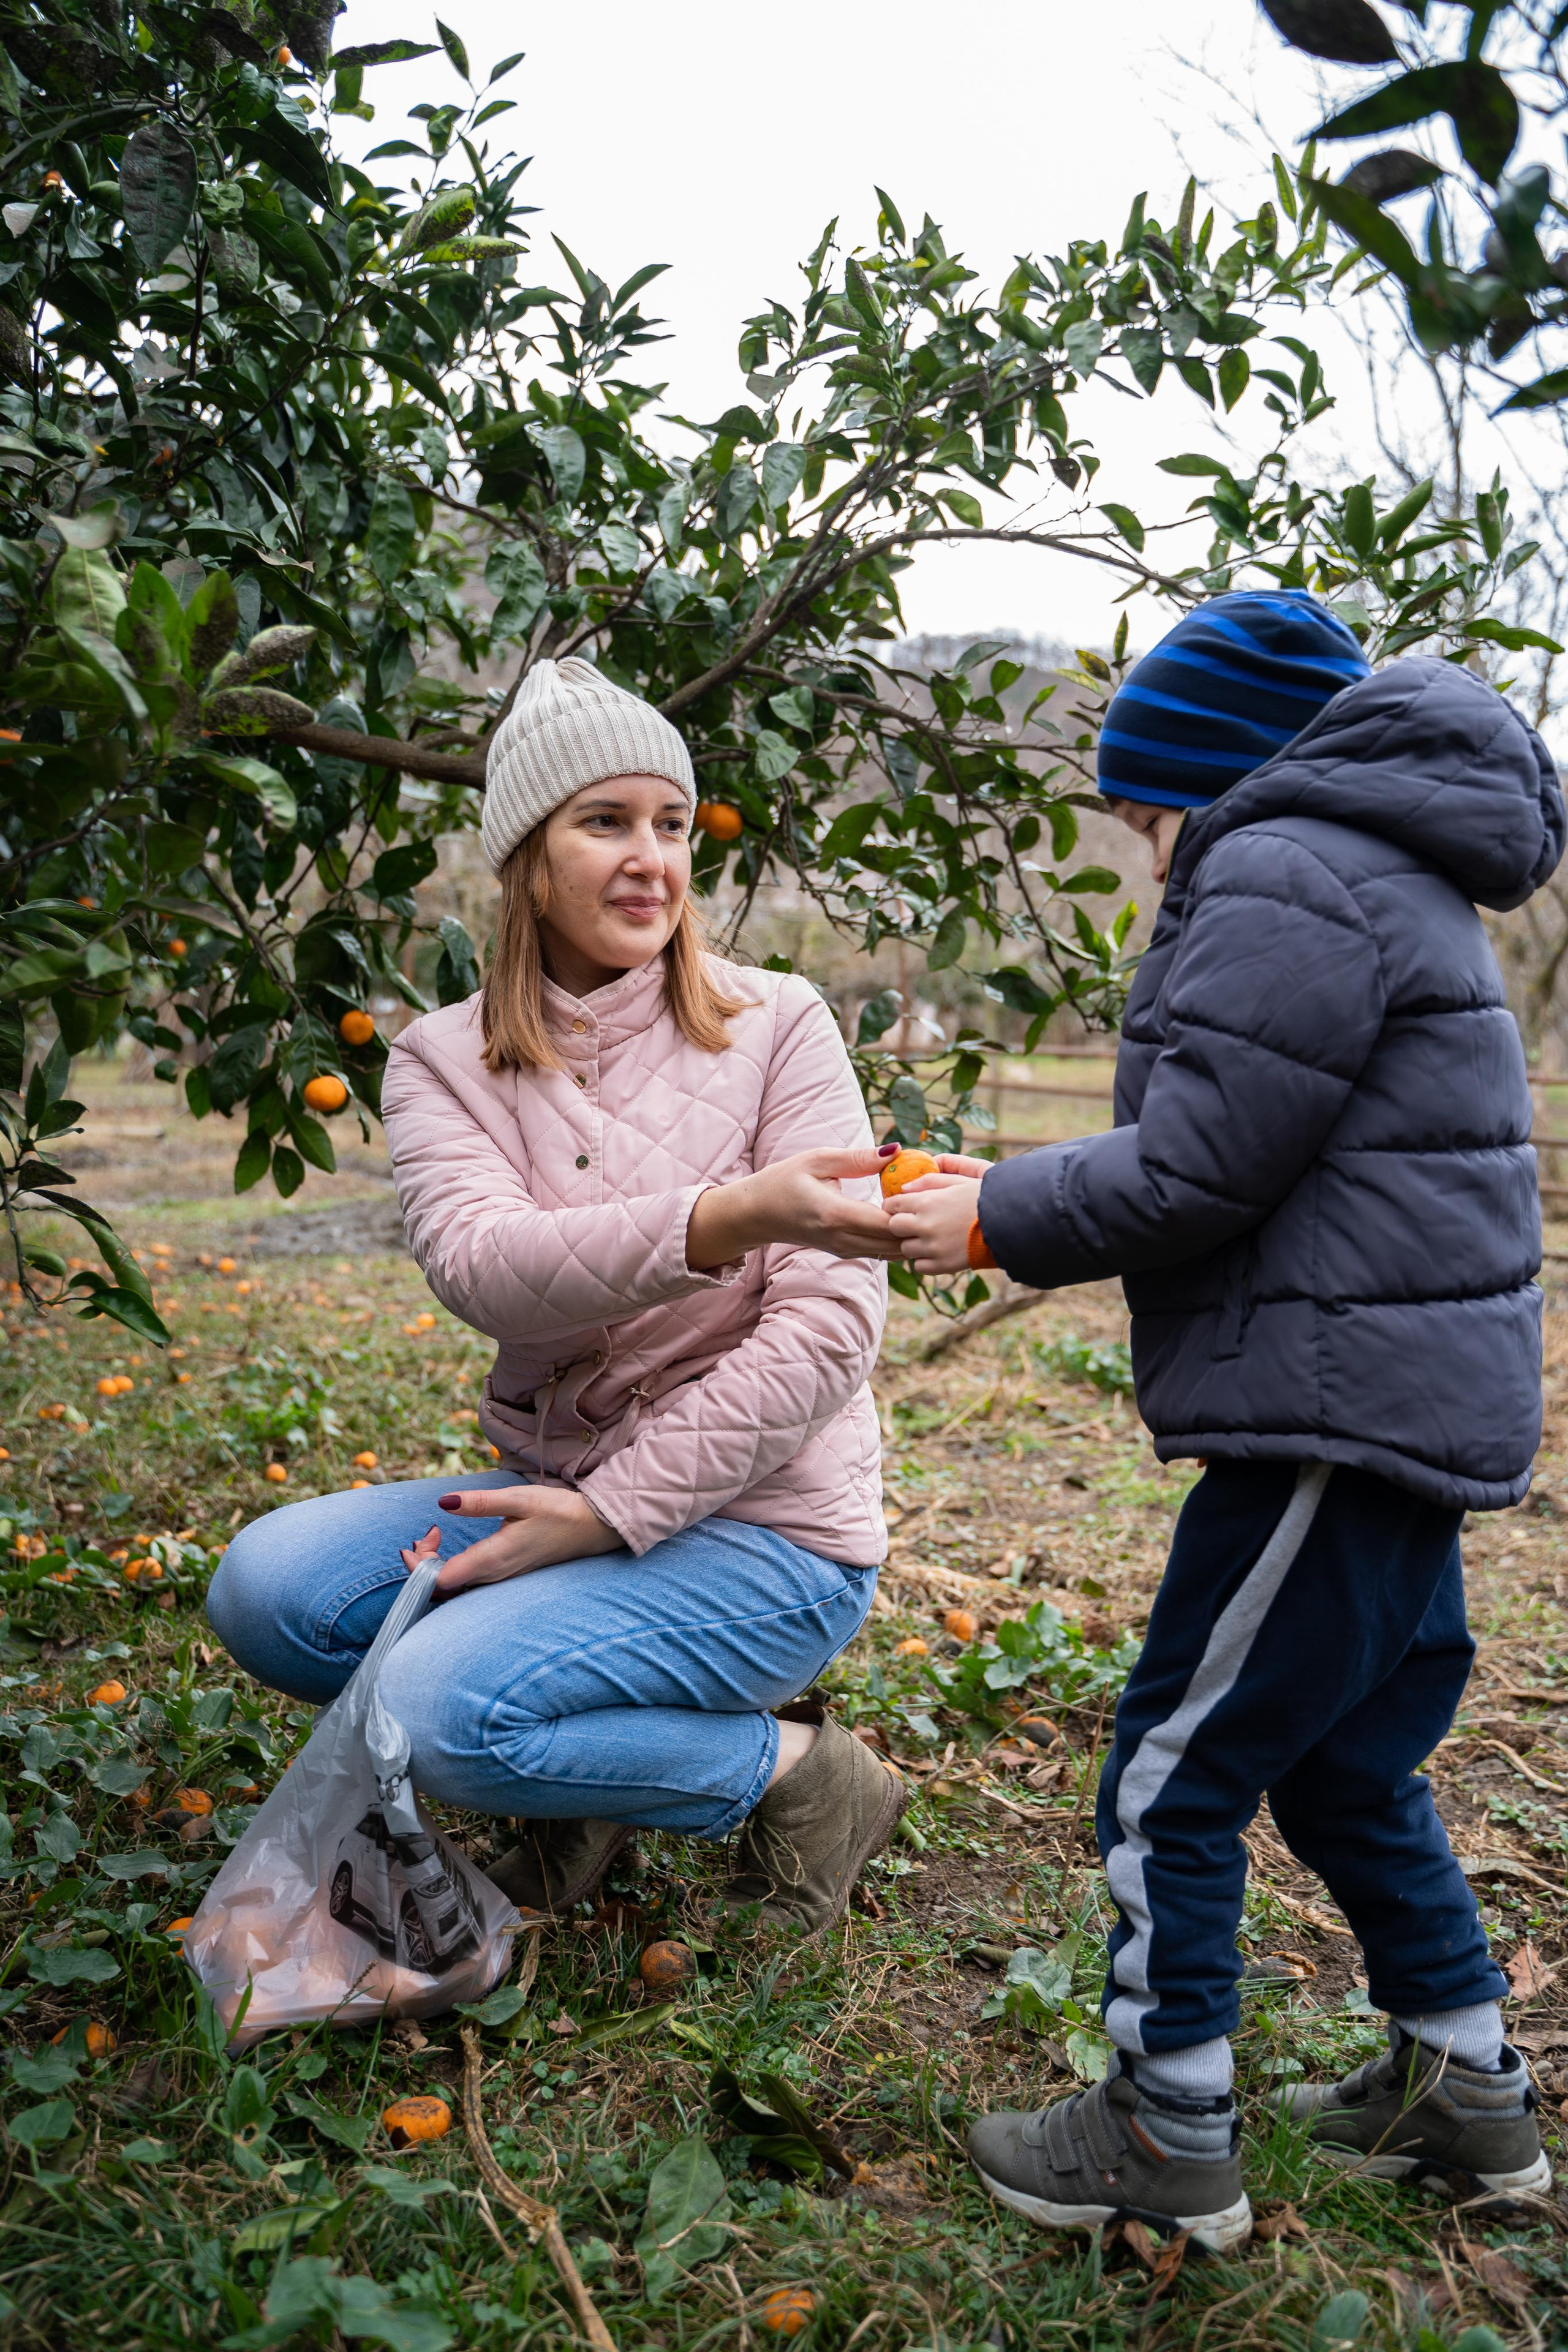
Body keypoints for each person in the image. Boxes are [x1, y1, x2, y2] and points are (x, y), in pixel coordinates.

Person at [886, 591, 1564, 2249]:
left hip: (1335, 1418)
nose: (1146, 852)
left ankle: (1165, 2133)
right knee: (1346, 1762)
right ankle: (1461, 2089)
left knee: (1168, 1775)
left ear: (1213, 778)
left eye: (1143, 815)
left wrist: (991, 1208)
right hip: (1404, 1408)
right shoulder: (1387, 871)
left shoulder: (1283, 866)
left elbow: (1198, 1161)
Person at [208, 656, 910, 1938]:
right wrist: (722, 1218)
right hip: (560, 1500)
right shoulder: (439, 1059)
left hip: (770, 1538)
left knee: (431, 1719)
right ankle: (583, 1760)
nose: (651, 859)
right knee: (270, 1591)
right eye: (604, 822)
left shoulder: (780, 1024)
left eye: (669, 823)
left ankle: (805, 1776)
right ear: (528, 856)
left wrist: (605, 1512)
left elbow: (827, 1330)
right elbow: (484, 1267)